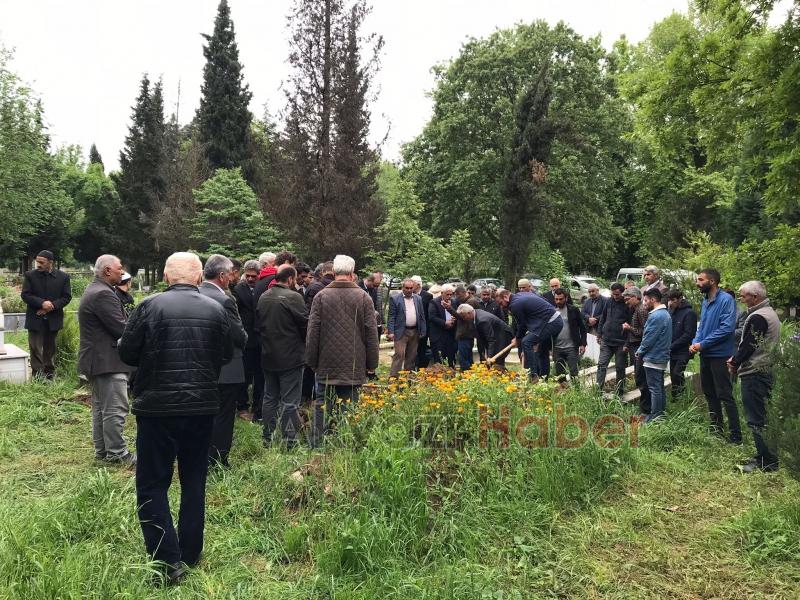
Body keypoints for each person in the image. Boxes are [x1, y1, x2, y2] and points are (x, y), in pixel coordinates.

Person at [119, 252, 233, 585]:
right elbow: (225, 354)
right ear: (199, 277)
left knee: (153, 483)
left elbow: (127, 352)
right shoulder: (217, 308)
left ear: (167, 277)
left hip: (157, 408)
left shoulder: (149, 306)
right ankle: (189, 552)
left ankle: (166, 562)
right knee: (195, 480)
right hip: (201, 407)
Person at [305, 255, 379, 447]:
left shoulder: (321, 296)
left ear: (334, 272)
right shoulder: (364, 297)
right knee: (349, 407)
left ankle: (318, 446)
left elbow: (313, 332)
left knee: (322, 406)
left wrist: (312, 361)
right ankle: (345, 446)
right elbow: (371, 333)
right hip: (353, 363)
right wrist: (372, 364)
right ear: (353, 273)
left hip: (326, 363)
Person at [78, 255, 134, 464]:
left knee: (102, 409)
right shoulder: (103, 294)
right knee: (115, 409)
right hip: (107, 360)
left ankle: (103, 452)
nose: (122, 272)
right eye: (120, 268)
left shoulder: (96, 289)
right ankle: (117, 454)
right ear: (108, 270)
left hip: (98, 359)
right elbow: (121, 329)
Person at [198, 255, 248, 468]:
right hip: (226, 368)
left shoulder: (196, 293)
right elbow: (238, 335)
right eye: (230, 273)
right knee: (223, 417)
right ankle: (218, 460)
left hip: (201, 366)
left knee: (203, 416)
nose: (232, 277)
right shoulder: (225, 300)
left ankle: (201, 455)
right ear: (221, 276)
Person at [728, 281, 781, 472]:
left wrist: (734, 361)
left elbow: (749, 345)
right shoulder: (770, 312)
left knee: (756, 418)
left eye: (743, 296)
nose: (741, 299)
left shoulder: (758, 316)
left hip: (755, 372)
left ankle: (766, 461)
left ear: (755, 296)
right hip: (765, 369)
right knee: (763, 416)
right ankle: (767, 455)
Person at [256, 266, 307, 448]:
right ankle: (290, 440)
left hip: (269, 355)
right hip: (291, 357)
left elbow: (259, 324)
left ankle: (267, 437)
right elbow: (304, 325)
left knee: (270, 398)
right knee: (290, 401)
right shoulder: (294, 297)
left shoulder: (264, 296)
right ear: (291, 279)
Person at [690, 268, 741, 443]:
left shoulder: (726, 300)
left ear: (712, 281)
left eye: (700, 280)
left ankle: (736, 435)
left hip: (720, 355)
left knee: (725, 394)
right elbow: (702, 327)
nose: (697, 283)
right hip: (705, 354)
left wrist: (702, 344)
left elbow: (727, 329)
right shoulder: (705, 301)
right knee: (709, 392)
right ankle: (717, 430)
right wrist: (695, 342)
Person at [21, 250, 72, 379]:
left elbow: (66, 297)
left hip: (53, 318)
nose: (38, 264)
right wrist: (42, 303)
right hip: (35, 318)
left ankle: (49, 376)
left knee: (50, 349)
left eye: (41, 262)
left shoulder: (63, 277)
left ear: (50, 263)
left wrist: (51, 306)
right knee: (35, 348)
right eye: (37, 262)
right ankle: (37, 376)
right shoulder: (30, 275)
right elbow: (25, 295)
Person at [496, 287, 562, 382]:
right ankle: (544, 379)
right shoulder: (520, 295)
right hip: (553, 319)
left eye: (501, 303)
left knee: (526, 342)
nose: (502, 307)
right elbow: (543, 302)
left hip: (551, 322)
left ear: (505, 297)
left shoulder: (515, 304)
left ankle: (533, 375)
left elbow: (522, 326)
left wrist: (517, 338)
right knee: (542, 350)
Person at [233, 260, 263, 421]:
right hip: (245, 338)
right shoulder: (239, 289)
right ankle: (242, 406)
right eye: (248, 275)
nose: (251, 279)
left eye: (254, 276)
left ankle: (258, 405)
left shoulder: (262, 288)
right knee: (244, 374)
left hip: (260, 338)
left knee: (260, 374)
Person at [636, 288, 672, 423]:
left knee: (654, 388)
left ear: (653, 299)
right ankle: (660, 414)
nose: (644, 303)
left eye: (646, 300)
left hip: (654, 356)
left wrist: (640, 351)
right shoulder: (665, 313)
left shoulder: (656, 315)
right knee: (659, 387)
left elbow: (649, 337)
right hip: (660, 355)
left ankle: (655, 416)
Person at [387, 279, 426, 377]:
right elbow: (391, 316)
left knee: (411, 357)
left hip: (415, 331)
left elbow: (421, 315)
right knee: (399, 355)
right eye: (407, 288)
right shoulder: (395, 298)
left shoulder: (418, 298)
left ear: (414, 288)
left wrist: (423, 330)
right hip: (401, 331)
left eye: (411, 288)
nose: (409, 290)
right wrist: (391, 331)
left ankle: (408, 379)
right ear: (402, 288)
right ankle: (393, 379)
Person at [596, 283, 629, 395]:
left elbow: (630, 324)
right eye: (613, 294)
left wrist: (627, 343)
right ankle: (598, 389)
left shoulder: (627, 304)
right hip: (606, 339)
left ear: (622, 292)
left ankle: (619, 391)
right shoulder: (609, 301)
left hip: (620, 342)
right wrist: (599, 333)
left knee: (620, 367)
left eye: (617, 294)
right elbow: (603, 317)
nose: (615, 296)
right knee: (601, 365)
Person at [622, 287, 651, 414]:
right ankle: (644, 407)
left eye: (628, 299)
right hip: (635, 345)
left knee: (641, 378)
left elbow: (646, 332)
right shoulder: (635, 309)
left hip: (640, 347)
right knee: (639, 378)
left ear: (636, 297)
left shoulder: (642, 310)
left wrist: (630, 328)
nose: (626, 302)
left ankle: (646, 409)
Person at [457, 304, 514, 368]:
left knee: (497, 359)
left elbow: (491, 340)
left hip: (504, 336)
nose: (464, 319)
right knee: (493, 359)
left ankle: (499, 375)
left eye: (464, 317)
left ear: (469, 313)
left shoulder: (483, 320)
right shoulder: (475, 312)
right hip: (496, 335)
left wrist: (489, 356)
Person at [666, 289, 697, 399]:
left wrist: (672, 345)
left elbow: (689, 334)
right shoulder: (671, 311)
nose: (670, 303)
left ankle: (683, 397)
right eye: (669, 300)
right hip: (672, 350)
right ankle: (676, 398)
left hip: (684, 350)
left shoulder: (689, 313)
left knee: (677, 373)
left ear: (680, 299)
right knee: (673, 376)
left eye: (673, 300)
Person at [551, 288, 587, 383]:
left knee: (574, 372)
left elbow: (582, 328)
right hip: (557, 347)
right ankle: (563, 391)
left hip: (571, 347)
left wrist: (583, 343)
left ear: (566, 298)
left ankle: (576, 391)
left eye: (561, 299)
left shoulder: (573, 310)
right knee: (560, 373)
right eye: (556, 299)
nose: (558, 301)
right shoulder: (552, 311)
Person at [428, 284, 457, 367]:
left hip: (450, 335)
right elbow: (432, 317)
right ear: (442, 293)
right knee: (439, 360)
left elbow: (457, 314)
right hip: (438, 335)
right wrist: (444, 323)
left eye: (451, 294)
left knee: (450, 359)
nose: (449, 296)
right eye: (447, 294)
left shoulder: (454, 302)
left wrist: (454, 320)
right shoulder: (434, 302)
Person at [452, 285, 479, 370]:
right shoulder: (468, 300)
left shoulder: (470, 302)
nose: (457, 298)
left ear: (463, 293)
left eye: (458, 295)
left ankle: (466, 374)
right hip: (467, 333)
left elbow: (462, 317)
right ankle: (470, 374)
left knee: (463, 357)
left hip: (466, 333)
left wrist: (449, 309)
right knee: (468, 356)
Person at [413, 276, 433, 368]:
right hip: (413, 327)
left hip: (423, 327)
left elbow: (428, 313)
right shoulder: (411, 295)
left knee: (422, 348)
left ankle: (421, 367)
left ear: (417, 284)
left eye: (412, 283)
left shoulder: (427, 296)